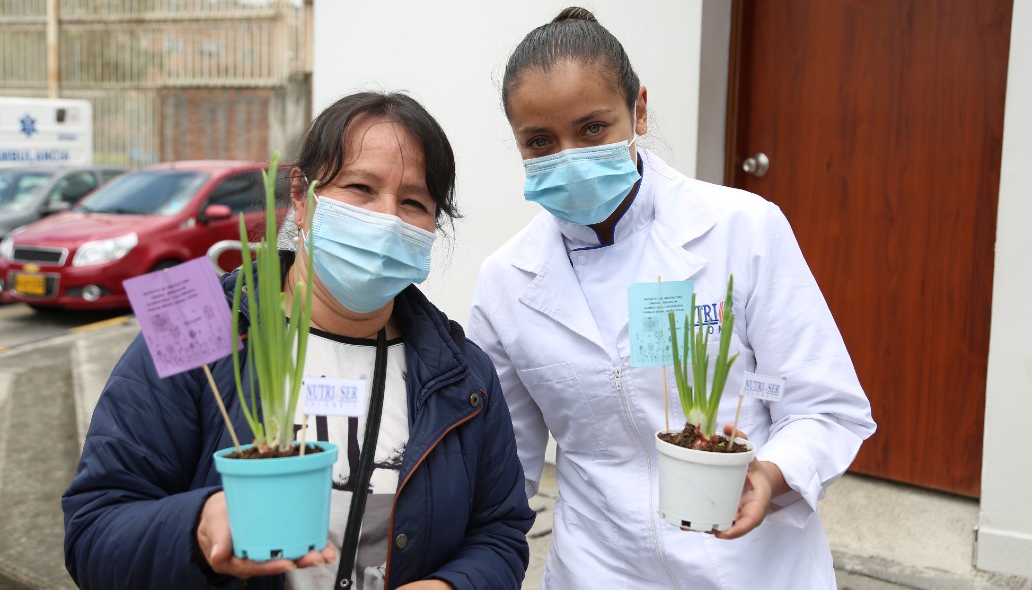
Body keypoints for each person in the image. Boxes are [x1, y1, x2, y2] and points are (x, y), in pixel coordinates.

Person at [468, 7, 876, 589]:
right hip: (599, 569)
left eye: (592, 128)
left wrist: (769, 474)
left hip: (750, 564)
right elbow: (505, 465)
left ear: (637, 111)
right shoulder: (506, 281)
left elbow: (826, 407)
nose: (569, 157)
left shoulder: (741, 229)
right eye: (540, 142)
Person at [63, 92, 535, 590]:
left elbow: (500, 534)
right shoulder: (193, 322)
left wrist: (450, 587)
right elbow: (93, 532)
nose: (386, 218)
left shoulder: (462, 374)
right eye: (360, 187)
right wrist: (199, 529)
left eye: (414, 202)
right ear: (299, 196)